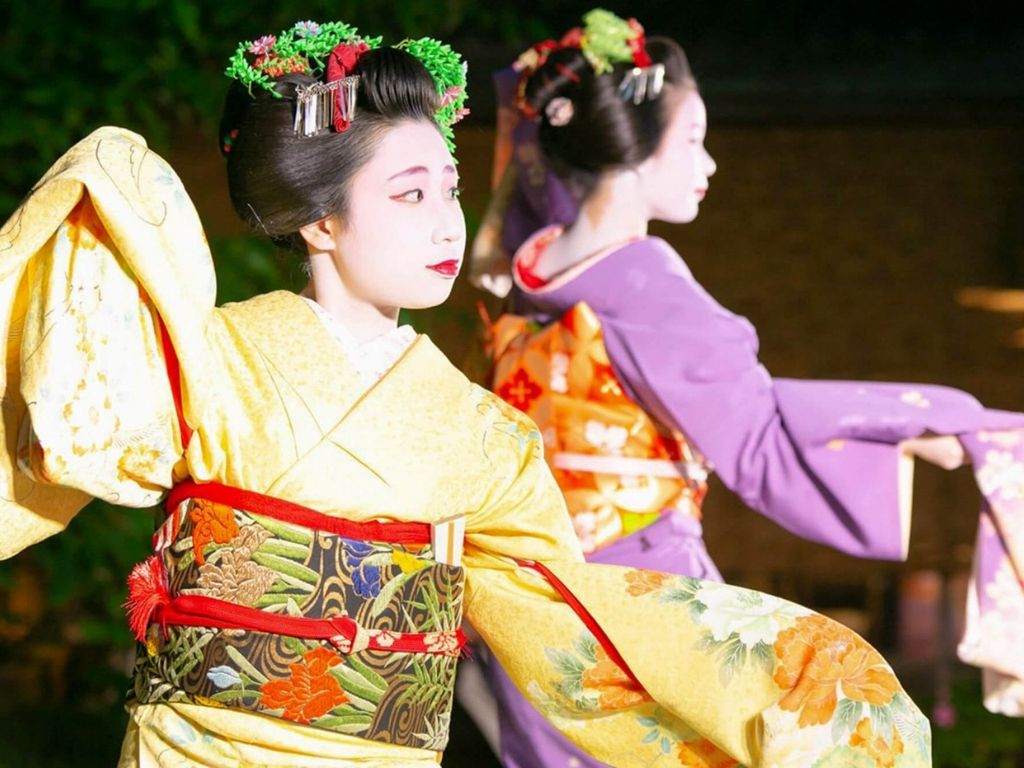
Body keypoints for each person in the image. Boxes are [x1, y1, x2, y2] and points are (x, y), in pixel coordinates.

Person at [0, 18, 932, 768]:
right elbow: (60, 435)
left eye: (450, 187)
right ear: (320, 219)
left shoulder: (487, 435)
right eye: (409, 194)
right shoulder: (207, 356)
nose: (447, 218)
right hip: (193, 750)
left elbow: (571, 616)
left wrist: (783, 681)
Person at [471, 8, 1024, 768]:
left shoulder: (529, 271)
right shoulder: (642, 276)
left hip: (533, 593)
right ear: (631, 149)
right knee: (848, 722)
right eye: (693, 141)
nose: (709, 166)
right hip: (637, 584)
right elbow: (758, 437)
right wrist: (922, 422)